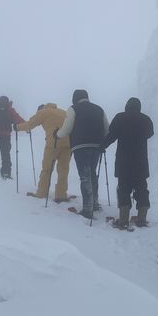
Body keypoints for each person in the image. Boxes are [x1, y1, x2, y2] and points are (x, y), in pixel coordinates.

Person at [56, 89, 109, 219]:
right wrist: (102, 143)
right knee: (92, 174)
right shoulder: (99, 109)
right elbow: (107, 129)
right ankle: (95, 203)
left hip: (80, 146)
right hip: (96, 146)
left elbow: (67, 129)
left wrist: (57, 134)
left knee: (85, 176)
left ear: (75, 98)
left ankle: (87, 209)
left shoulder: (73, 109)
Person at [103, 97, 154, 229]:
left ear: (127, 106)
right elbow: (150, 134)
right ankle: (142, 218)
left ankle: (123, 219)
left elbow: (111, 135)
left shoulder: (120, 117)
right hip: (141, 161)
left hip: (123, 161)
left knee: (124, 189)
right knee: (142, 188)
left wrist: (102, 146)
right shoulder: (146, 119)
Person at [15, 103, 72, 202]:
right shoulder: (63, 111)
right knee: (63, 170)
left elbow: (29, 125)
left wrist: (16, 127)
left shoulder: (43, 112)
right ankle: (61, 195)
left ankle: (41, 193)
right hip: (68, 143)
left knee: (47, 169)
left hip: (53, 143)